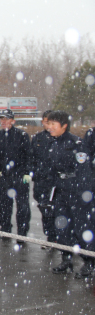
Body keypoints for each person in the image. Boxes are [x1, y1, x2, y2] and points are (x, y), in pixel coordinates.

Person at [47, 111, 95, 278]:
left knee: (82, 228)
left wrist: (84, 195)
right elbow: (53, 171)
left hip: (77, 191)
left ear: (64, 125)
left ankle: (89, 261)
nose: (50, 127)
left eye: (53, 124)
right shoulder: (54, 144)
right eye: (49, 124)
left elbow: (84, 173)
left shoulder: (77, 144)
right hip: (61, 190)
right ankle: (66, 259)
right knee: (61, 226)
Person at [0, 109, 31, 242]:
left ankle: (21, 233)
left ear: (12, 121)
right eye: (1, 119)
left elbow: (28, 155)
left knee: (22, 207)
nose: (3, 122)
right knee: (4, 205)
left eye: (6, 119)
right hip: (5, 176)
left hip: (20, 176)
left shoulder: (22, 135)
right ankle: (5, 229)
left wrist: (27, 172)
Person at [30, 110, 57, 247]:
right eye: (46, 122)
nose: (48, 125)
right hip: (41, 180)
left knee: (57, 210)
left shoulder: (60, 138)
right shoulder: (38, 138)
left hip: (56, 182)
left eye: (51, 122)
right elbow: (32, 158)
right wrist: (33, 173)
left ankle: (60, 238)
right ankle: (50, 236)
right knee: (44, 209)